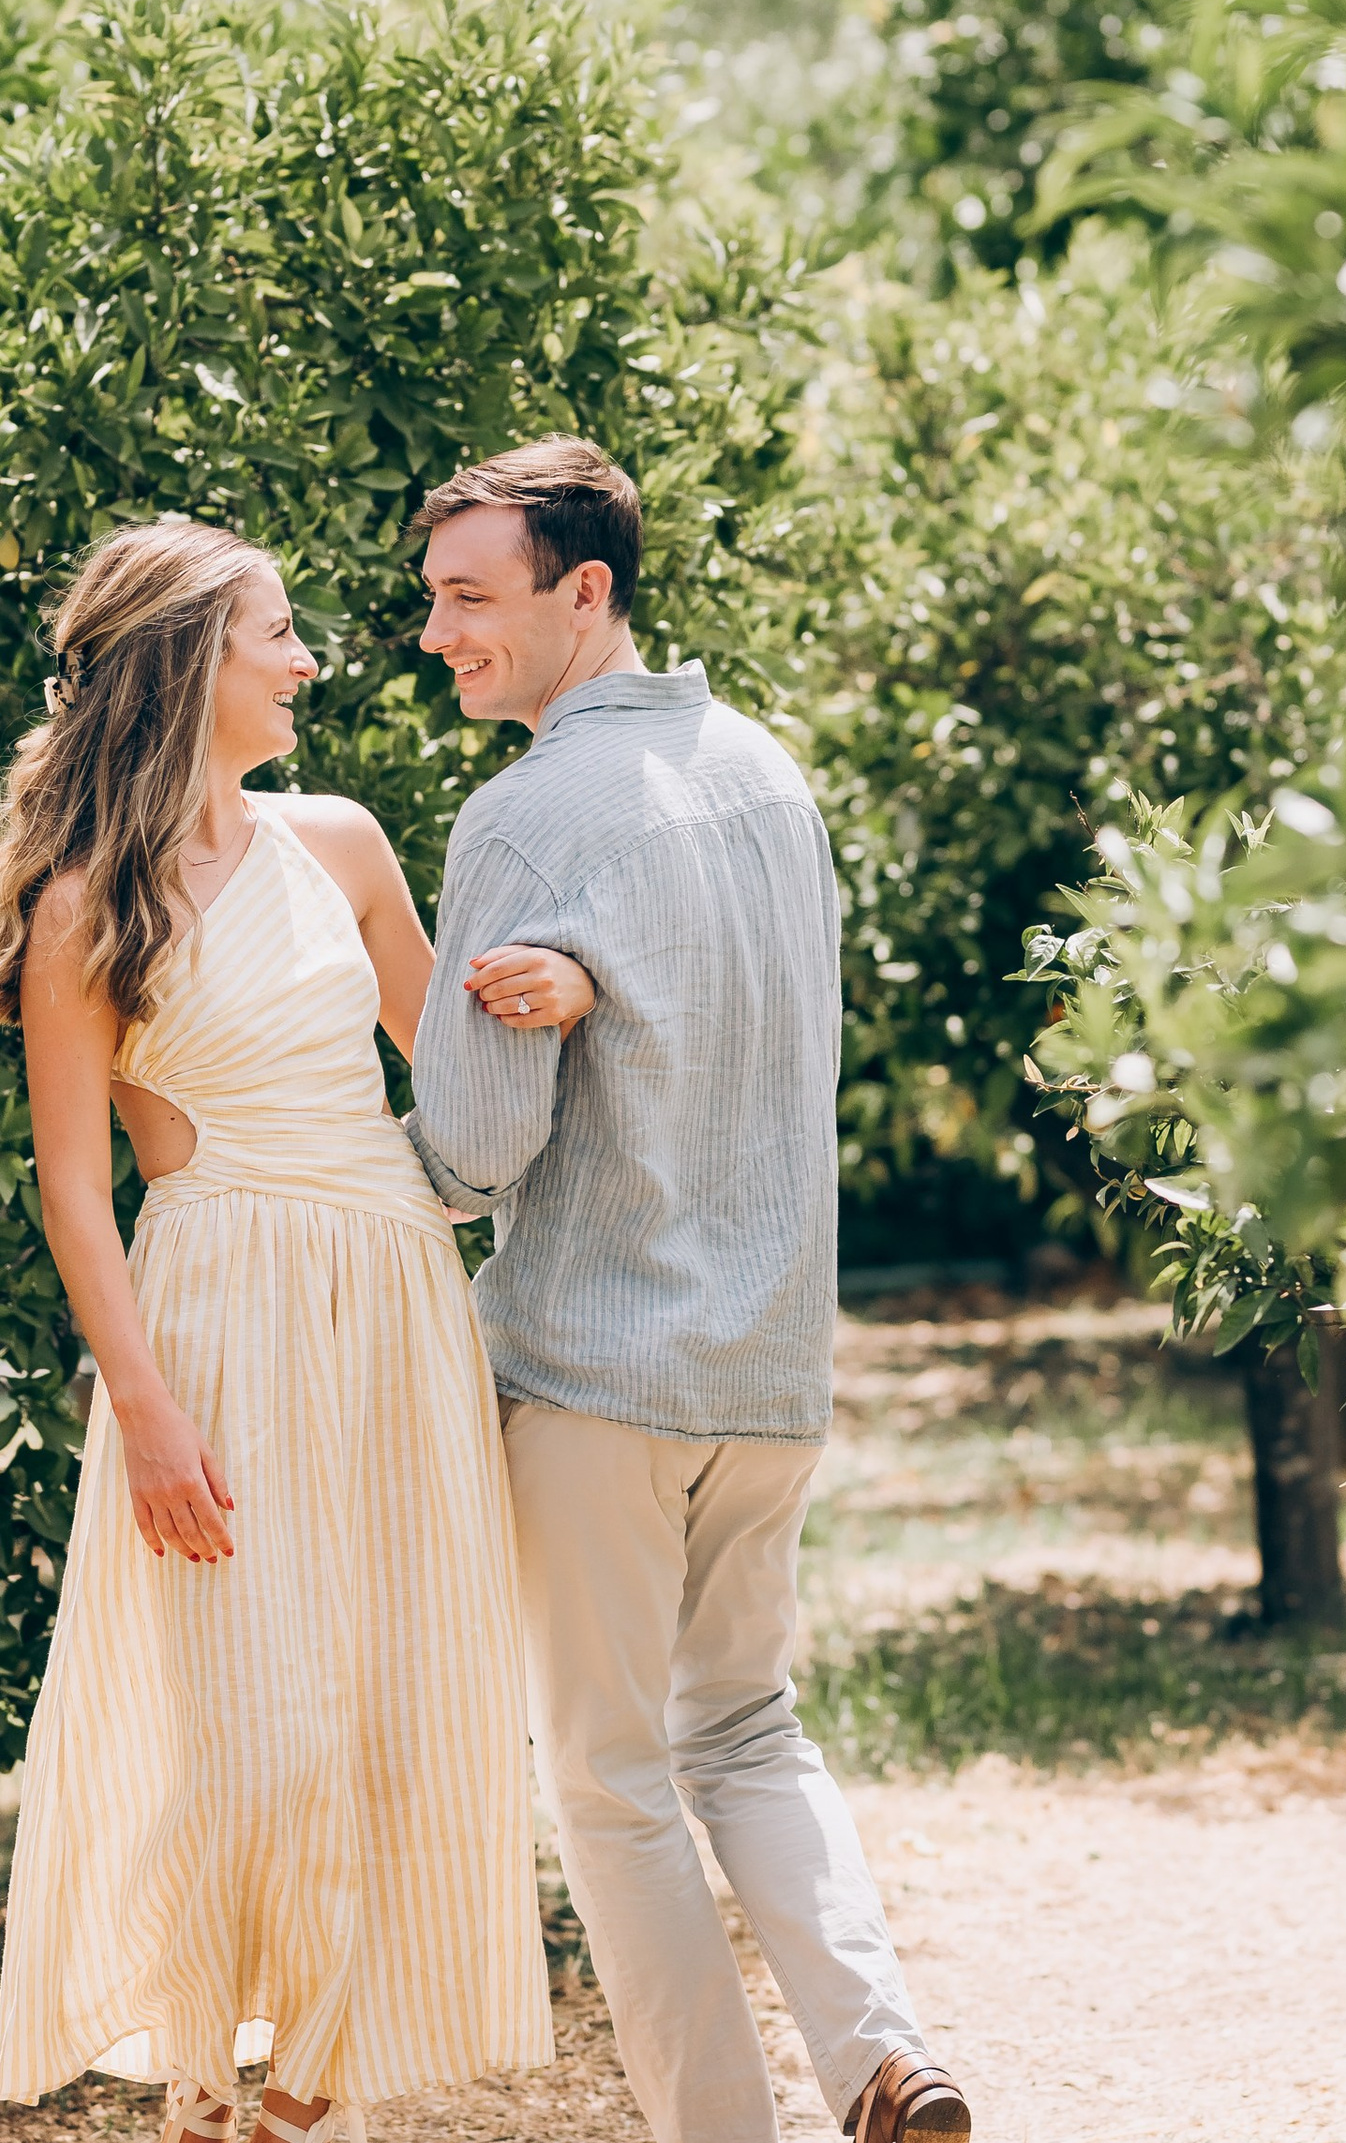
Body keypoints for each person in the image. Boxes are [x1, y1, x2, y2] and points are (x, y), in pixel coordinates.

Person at [0, 518, 588, 2143]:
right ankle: (199, 2080)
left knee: (389, 1697)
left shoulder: (344, 841)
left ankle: (299, 2103)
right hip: (219, 1317)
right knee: (256, 1723)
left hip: (391, 1300)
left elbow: (460, 1069)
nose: (310, 660)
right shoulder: (86, 904)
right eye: (279, 635)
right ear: (187, 662)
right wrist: (149, 1413)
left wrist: (569, 991)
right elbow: (76, 1196)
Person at [402, 441, 973, 2143]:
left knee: (610, 1783)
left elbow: (477, 1150)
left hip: (596, 1376)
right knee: (749, 1728)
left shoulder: (520, 815)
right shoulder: (772, 777)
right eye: (434, 598)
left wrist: (337, 1189)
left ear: (587, 594)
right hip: (775, 1364)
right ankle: (883, 2056)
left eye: (469, 599)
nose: (437, 636)